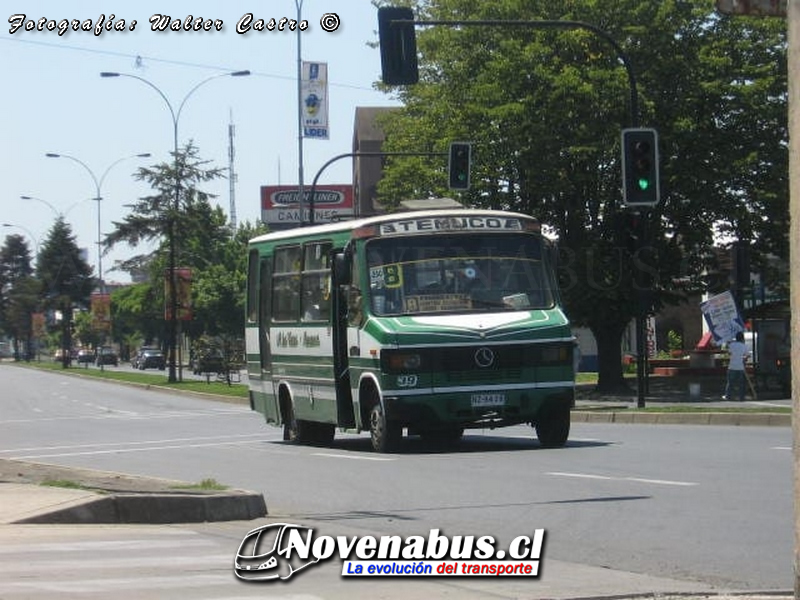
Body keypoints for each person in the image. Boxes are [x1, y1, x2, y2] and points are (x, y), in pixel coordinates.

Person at [723, 331, 749, 401]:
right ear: (742, 338)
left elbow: (728, 353)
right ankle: (741, 397)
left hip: (732, 366)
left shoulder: (732, 345)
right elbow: (747, 355)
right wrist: (744, 359)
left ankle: (728, 396)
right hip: (740, 367)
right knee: (741, 383)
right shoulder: (744, 346)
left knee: (730, 383)